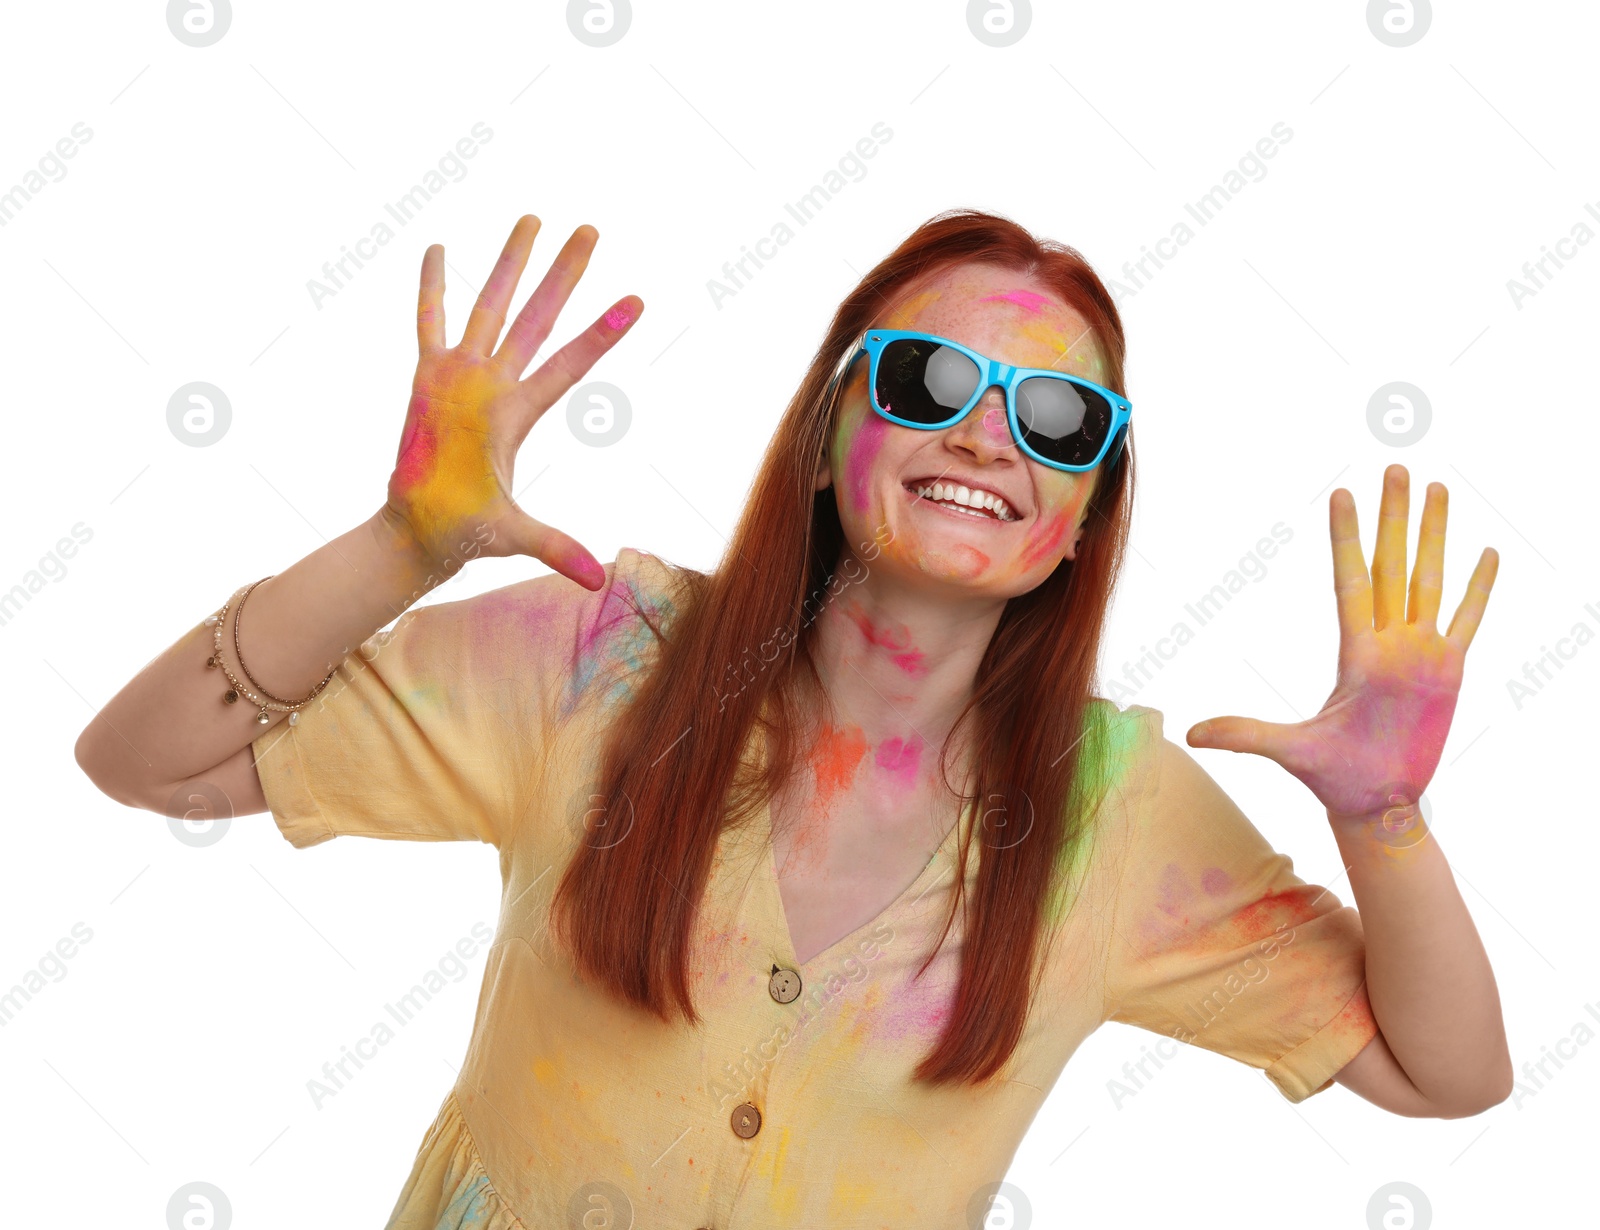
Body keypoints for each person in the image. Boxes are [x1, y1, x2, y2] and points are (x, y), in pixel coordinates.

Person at [75, 208, 1512, 1229]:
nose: (985, 436)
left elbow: (1447, 1075)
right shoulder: (605, 656)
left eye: (1058, 420)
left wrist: (1382, 822)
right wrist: (405, 542)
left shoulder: (1118, 814)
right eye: (931, 380)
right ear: (832, 434)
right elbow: (140, 759)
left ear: (1084, 515)